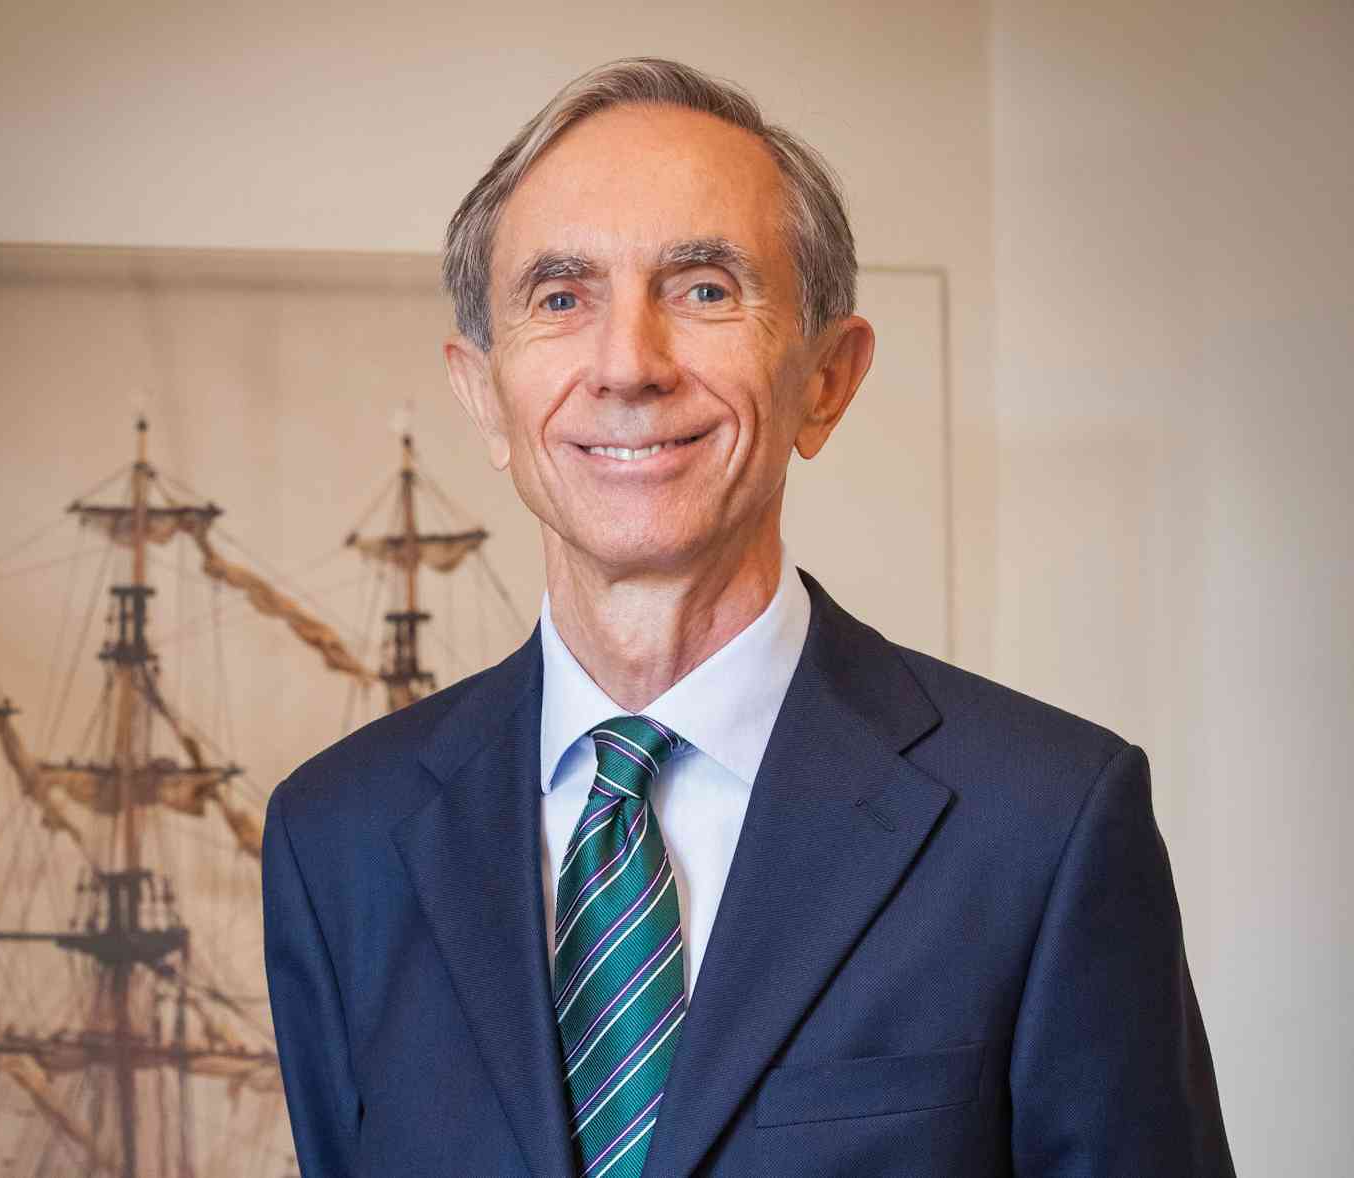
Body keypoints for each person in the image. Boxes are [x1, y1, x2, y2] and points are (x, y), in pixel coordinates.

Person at [261, 57, 1233, 1177]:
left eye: (705, 289)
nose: (628, 365)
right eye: (561, 297)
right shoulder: (336, 837)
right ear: (484, 393)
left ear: (826, 378)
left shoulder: (1045, 821)